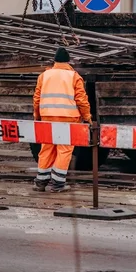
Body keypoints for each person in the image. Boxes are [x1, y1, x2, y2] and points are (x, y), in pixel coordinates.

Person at [33, 46, 91, 193]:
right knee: (64, 149)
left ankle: (41, 181)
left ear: (54, 60)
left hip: (47, 116)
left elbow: (37, 98)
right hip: (68, 117)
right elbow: (81, 100)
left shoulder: (44, 75)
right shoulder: (74, 76)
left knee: (46, 147)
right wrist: (87, 117)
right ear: (68, 61)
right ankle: (58, 184)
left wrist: (37, 116)